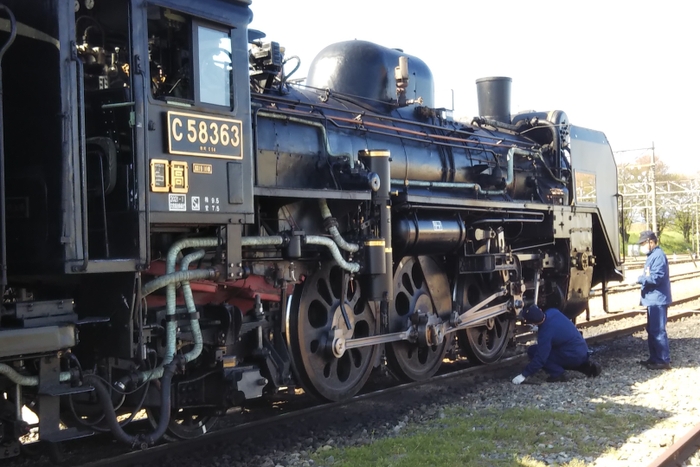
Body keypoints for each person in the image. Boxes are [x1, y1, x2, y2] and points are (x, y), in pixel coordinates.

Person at [512, 305, 602, 384]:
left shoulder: (545, 334)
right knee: (557, 348)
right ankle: (585, 366)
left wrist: (524, 375)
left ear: (532, 323)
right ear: (540, 309)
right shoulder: (553, 312)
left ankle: (558, 373)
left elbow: (540, 358)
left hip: (572, 355)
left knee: (533, 351)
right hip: (582, 350)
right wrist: (539, 327)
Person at [636, 230, 672, 370]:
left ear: (651, 242)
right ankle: (654, 358)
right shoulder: (653, 255)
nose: (642, 246)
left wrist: (639, 279)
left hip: (657, 299)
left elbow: (656, 278)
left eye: (644, 243)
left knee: (658, 330)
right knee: (652, 330)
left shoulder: (658, 256)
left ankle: (663, 359)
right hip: (653, 299)